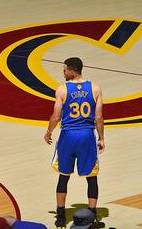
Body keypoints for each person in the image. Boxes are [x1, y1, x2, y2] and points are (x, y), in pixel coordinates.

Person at [43, 57, 105, 228]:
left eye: (65, 70)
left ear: (72, 70)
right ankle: (92, 215)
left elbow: (56, 116)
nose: (63, 73)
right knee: (92, 178)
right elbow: (99, 117)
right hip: (86, 136)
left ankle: (61, 215)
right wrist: (101, 138)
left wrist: (48, 132)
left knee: (63, 176)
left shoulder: (62, 89)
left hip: (68, 136)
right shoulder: (95, 88)